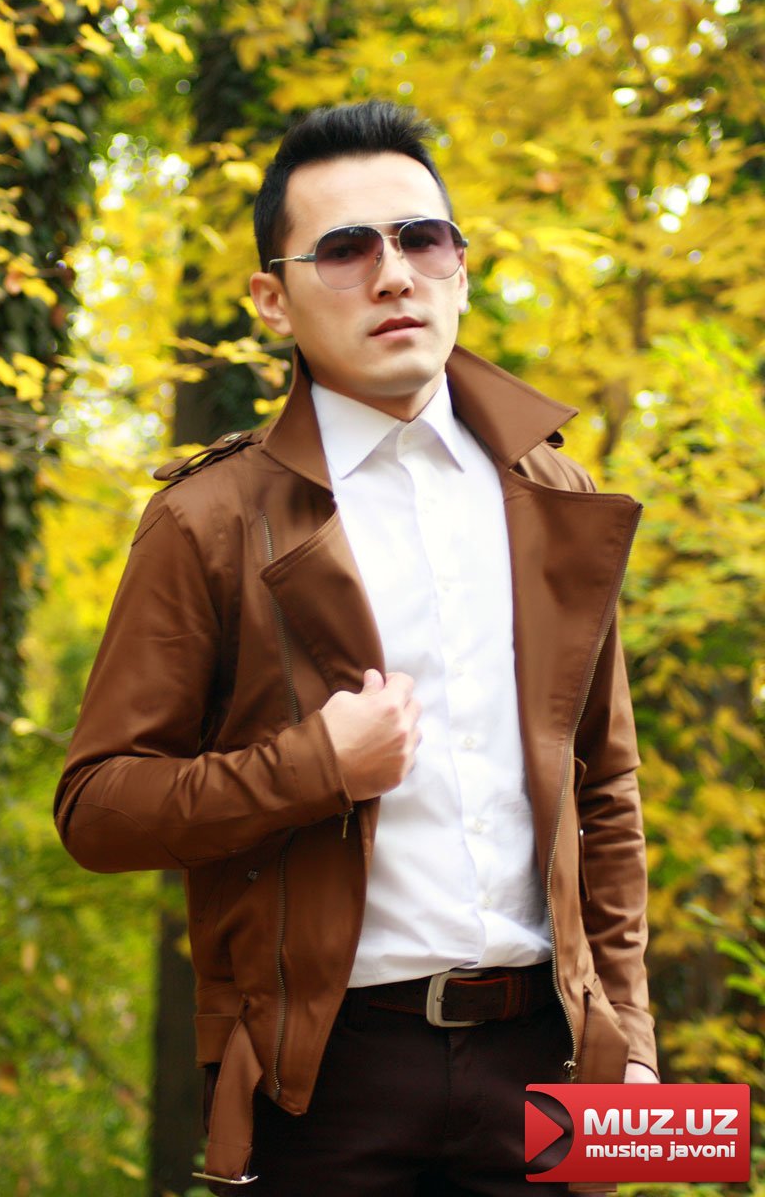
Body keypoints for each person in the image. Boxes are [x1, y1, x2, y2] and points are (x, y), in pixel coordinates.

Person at [54, 100, 658, 1196]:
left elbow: (604, 788)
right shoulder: (209, 520)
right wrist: (314, 767)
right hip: (323, 1085)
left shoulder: (554, 492)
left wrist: (633, 1045)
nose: (392, 276)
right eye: (345, 249)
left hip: (550, 1063)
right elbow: (97, 808)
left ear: (459, 268)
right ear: (271, 299)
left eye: (422, 240)